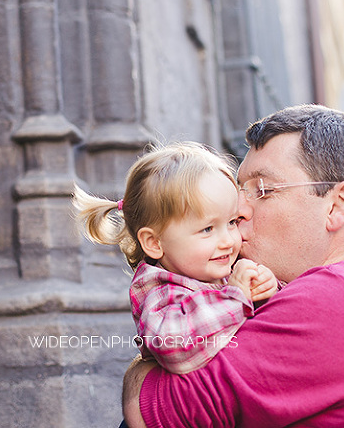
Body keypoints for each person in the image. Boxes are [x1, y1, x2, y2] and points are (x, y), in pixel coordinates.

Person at [122, 105, 344, 427]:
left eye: (263, 190)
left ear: (338, 206)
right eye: (240, 190)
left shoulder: (337, 297)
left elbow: (155, 411)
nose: (239, 209)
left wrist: (140, 370)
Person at [73, 142, 278, 374]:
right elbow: (175, 348)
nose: (228, 241)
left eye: (231, 222)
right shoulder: (161, 291)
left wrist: (264, 290)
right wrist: (237, 296)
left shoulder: (214, 270)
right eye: (207, 229)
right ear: (154, 242)